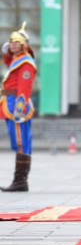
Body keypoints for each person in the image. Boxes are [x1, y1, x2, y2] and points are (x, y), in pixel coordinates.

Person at [1, 22, 36, 192]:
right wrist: (5, 50)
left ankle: (20, 181)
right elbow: (7, 60)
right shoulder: (17, 60)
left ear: (24, 45)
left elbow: (24, 88)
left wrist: (19, 110)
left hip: (16, 105)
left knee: (22, 142)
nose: (13, 44)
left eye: (17, 42)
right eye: (11, 41)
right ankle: (20, 181)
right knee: (20, 142)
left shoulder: (26, 63)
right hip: (9, 102)